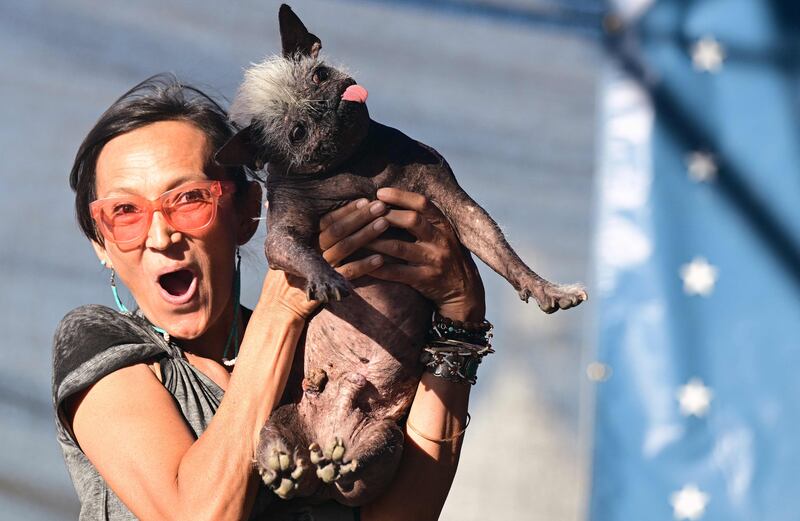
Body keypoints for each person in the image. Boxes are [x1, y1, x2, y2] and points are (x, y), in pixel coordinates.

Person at [52, 74, 489, 521]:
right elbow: (199, 515)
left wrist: (460, 322)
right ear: (101, 244)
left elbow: (402, 517)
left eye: (189, 200)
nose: (161, 236)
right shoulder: (97, 342)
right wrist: (282, 306)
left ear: (247, 214)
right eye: (125, 212)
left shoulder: (327, 348)